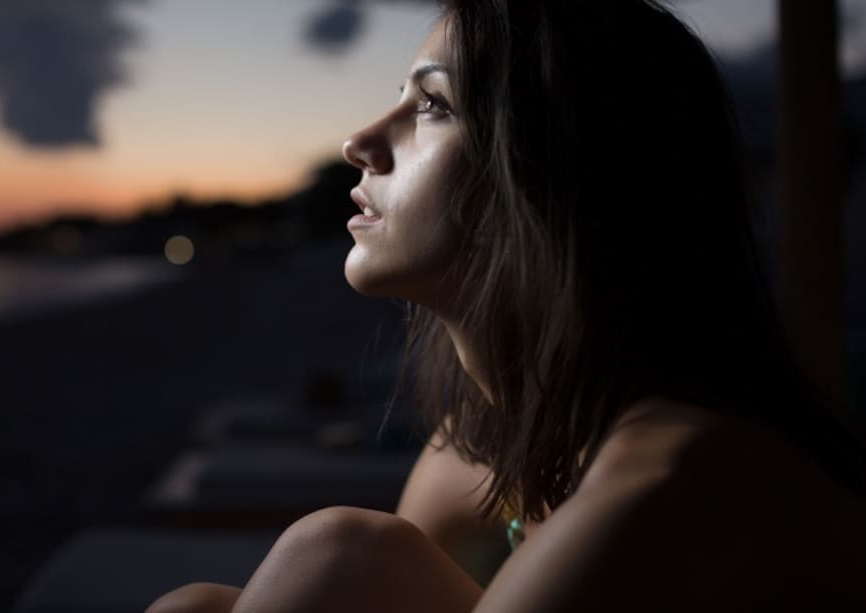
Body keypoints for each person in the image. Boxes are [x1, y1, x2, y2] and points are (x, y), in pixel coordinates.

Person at [148, 1, 866, 611]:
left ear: (554, 177)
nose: (360, 142)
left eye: (432, 106)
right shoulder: (482, 450)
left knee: (338, 553)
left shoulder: (676, 478)